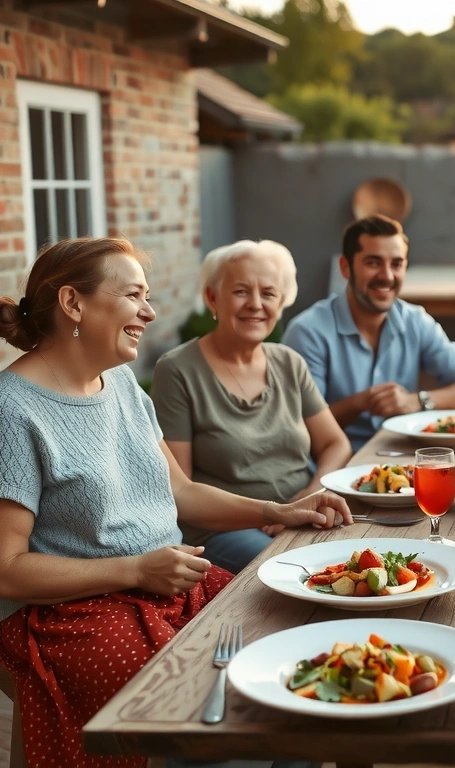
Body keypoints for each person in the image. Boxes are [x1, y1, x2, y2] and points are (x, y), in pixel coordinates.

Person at [0, 237, 351, 768]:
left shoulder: (120, 384)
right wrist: (136, 569)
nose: (150, 311)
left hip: (164, 581)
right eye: (134, 296)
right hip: (66, 611)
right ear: (74, 304)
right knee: (181, 703)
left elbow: (180, 491)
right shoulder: (13, 409)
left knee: (293, 653)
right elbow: (7, 571)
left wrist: (273, 511)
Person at [151, 240, 353, 574]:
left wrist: (308, 496)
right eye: (241, 291)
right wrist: (274, 512)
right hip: (228, 529)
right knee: (306, 574)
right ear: (212, 298)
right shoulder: (177, 370)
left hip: (302, 513)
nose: (256, 304)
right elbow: (181, 491)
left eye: (269, 293)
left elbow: (336, 443)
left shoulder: (289, 362)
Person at [282, 214, 455, 452]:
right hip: (337, 466)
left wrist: (417, 401)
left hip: (406, 458)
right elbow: (298, 428)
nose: (387, 276)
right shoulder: (307, 332)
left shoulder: (415, 321)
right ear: (346, 267)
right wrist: (359, 403)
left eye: (396, 264)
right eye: (373, 262)